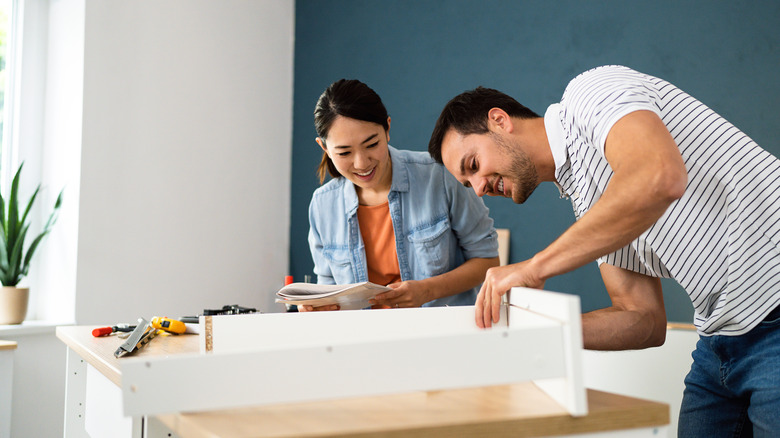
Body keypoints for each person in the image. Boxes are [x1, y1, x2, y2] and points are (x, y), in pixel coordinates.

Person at [428, 65, 780, 436]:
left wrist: (534, 267)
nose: (480, 188)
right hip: (719, 342)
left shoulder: (590, 92)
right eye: (468, 184)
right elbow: (643, 318)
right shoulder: (590, 205)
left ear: (499, 121)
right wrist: (538, 331)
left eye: (474, 165)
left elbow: (660, 175)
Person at [304, 79, 499, 312]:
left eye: (371, 144)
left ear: (387, 129)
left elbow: (487, 262)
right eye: (344, 152)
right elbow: (328, 288)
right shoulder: (322, 205)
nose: (362, 163)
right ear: (324, 148)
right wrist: (319, 307)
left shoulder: (440, 176)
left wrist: (426, 291)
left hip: (439, 334)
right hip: (365, 341)